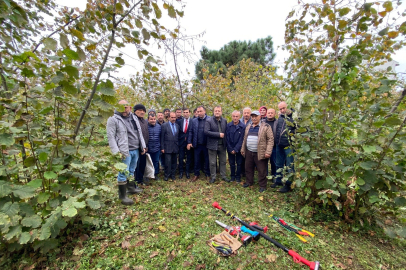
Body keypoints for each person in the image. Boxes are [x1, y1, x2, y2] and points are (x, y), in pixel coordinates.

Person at [106, 100, 145, 205]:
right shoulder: (113, 119)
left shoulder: (134, 117)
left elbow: (139, 133)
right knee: (123, 172)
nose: (124, 110)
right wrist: (116, 152)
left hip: (135, 149)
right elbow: (111, 137)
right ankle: (122, 196)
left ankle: (131, 188)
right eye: (121, 107)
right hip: (124, 151)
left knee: (132, 170)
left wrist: (143, 146)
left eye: (125, 107)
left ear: (130, 108)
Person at [241, 111, 274, 193]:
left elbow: (270, 139)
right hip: (249, 151)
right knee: (248, 168)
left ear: (260, 117)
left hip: (260, 152)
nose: (254, 118)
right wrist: (242, 149)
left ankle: (262, 185)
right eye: (252, 116)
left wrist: (268, 151)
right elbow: (245, 138)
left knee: (261, 170)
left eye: (256, 116)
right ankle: (249, 182)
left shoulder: (266, 126)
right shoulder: (249, 126)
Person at [272, 101, 296, 193]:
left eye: (283, 108)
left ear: (288, 107)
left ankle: (288, 185)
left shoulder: (294, 118)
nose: (282, 110)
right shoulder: (281, 118)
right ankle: (278, 181)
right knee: (278, 163)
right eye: (280, 109)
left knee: (290, 166)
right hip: (279, 145)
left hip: (289, 146)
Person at [205, 106, 229, 183]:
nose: (217, 112)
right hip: (212, 145)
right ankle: (213, 177)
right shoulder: (209, 121)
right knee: (212, 162)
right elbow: (206, 132)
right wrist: (218, 135)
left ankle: (223, 176)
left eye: (219, 111)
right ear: (213, 112)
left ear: (221, 112)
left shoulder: (224, 121)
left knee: (223, 161)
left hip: (222, 145)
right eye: (216, 111)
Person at [187, 106, 211, 182]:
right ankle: (196, 174)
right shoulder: (194, 121)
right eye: (198, 111)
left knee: (207, 160)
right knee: (196, 160)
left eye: (201, 111)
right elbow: (190, 131)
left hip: (207, 144)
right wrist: (189, 142)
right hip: (197, 144)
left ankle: (207, 174)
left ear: (204, 111)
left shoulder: (210, 119)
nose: (199, 113)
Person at [226, 110, 245, 182]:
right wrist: (230, 149)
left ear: (239, 117)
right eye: (234, 116)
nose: (235, 118)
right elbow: (227, 138)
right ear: (232, 116)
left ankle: (238, 177)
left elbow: (242, 139)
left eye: (237, 116)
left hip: (238, 148)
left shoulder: (243, 126)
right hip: (230, 147)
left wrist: (236, 149)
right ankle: (232, 176)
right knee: (232, 163)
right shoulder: (228, 125)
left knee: (239, 163)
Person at [133, 104, 149, 186]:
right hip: (137, 147)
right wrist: (141, 148)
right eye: (140, 110)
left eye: (143, 111)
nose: (142, 112)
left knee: (142, 164)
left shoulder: (144, 121)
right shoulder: (133, 120)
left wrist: (145, 146)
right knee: (136, 165)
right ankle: (135, 181)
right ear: (135, 111)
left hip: (144, 147)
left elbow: (146, 134)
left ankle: (140, 179)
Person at [161, 112, 180, 181]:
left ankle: (173, 175)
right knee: (167, 162)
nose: (173, 119)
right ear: (168, 118)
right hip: (167, 147)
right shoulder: (164, 126)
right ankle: (167, 175)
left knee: (174, 162)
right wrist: (162, 147)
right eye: (172, 117)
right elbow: (162, 137)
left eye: (174, 117)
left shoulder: (177, 126)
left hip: (175, 147)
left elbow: (177, 137)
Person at [177, 108, 192, 179]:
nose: (185, 114)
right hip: (181, 143)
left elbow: (193, 132)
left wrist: (190, 142)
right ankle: (180, 172)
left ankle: (187, 172)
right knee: (181, 158)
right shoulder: (180, 121)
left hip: (189, 143)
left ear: (189, 113)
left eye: (187, 112)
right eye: (184, 112)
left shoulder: (193, 121)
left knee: (189, 158)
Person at [262, 108, 278, 178]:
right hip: (264, 146)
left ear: (275, 114)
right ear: (266, 114)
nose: (270, 114)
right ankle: (265, 176)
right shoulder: (262, 122)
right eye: (269, 113)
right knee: (263, 163)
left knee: (274, 162)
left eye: (272, 113)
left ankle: (274, 176)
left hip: (274, 146)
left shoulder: (277, 122)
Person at [147, 114, 161, 180]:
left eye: (154, 119)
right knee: (147, 162)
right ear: (148, 120)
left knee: (156, 161)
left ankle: (156, 174)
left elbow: (161, 137)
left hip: (157, 147)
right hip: (148, 148)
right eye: (151, 119)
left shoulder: (159, 127)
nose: (153, 120)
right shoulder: (145, 126)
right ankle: (147, 175)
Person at [240, 107, 252, 178]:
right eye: (245, 113)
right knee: (241, 158)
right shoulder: (239, 120)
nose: (246, 114)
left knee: (248, 159)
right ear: (243, 113)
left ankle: (247, 173)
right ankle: (241, 172)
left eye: (248, 113)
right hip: (240, 142)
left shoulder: (252, 121)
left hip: (249, 142)